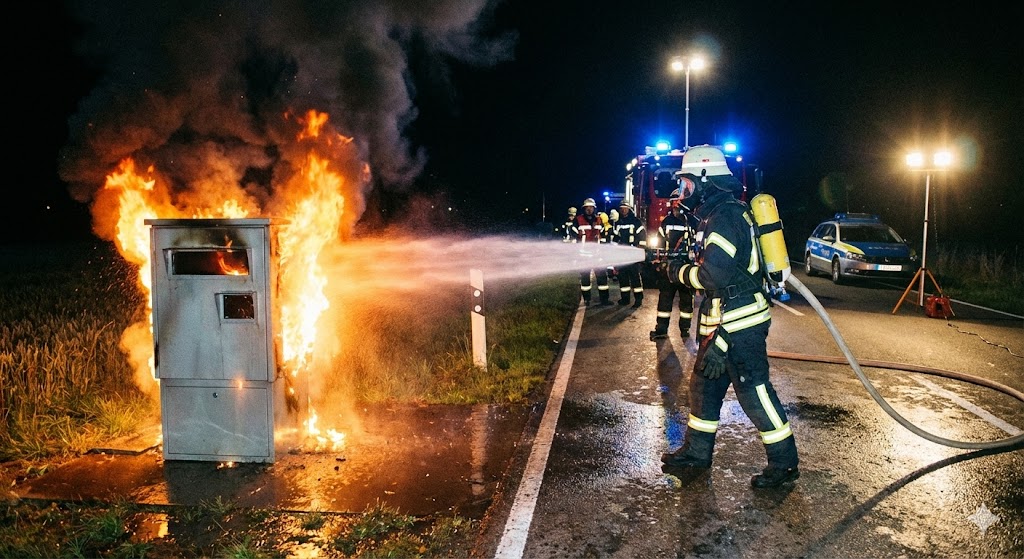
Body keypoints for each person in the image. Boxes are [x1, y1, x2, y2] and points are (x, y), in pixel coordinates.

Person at [661, 145, 799, 489]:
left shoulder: (725, 216)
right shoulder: (717, 214)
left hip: (741, 326)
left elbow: (714, 277)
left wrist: (678, 273)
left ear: (705, 179)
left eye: (687, 184)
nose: (683, 192)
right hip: (722, 324)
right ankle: (697, 453)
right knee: (704, 388)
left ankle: (784, 464)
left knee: (754, 394)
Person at [650, 189, 695, 338]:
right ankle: (661, 330)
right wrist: (659, 260)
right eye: (674, 202)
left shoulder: (691, 221)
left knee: (686, 301)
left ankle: (685, 329)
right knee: (665, 299)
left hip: (686, 267)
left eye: (678, 202)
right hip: (668, 267)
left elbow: (696, 243)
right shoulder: (666, 222)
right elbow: (659, 242)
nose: (676, 205)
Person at [571, 198, 613, 306]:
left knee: (602, 278)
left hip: (597, 255)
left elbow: (603, 235)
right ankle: (587, 299)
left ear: (594, 209)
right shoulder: (578, 220)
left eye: (591, 208)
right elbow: (572, 233)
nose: (589, 210)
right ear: (584, 209)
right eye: (587, 208)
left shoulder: (599, 220)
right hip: (584, 256)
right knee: (585, 279)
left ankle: (604, 300)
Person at [611, 201, 647, 307]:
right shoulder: (618, 223)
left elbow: (642, 236)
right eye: (621, 208)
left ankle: (638, 300)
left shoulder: (636, 221)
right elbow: (615, 238)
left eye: (625, 208)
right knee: (622, 277)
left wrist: (640, 250)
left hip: (632, 253)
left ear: (629, 209)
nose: (623, 210)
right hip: (621, 254)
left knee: (635, 277)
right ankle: (625, 299)